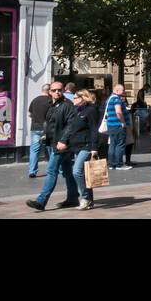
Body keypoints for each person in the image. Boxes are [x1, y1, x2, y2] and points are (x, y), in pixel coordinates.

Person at [27, 80, 81, 211]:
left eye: (59, 90)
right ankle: (73, 197)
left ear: (63, 91)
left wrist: (63, 141)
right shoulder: (52, 104)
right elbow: (52, 123)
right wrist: (46, 134)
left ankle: (41, 201)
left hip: (61, 144)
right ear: (49, 92)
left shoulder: (67, 105)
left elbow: (70, 125)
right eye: (54, 90)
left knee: (51, 170)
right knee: (67, 172)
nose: (57, 92)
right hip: (53, 141)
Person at [70, 89, 100, 211]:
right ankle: (90, 201)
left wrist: (94, 147)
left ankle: (85, 197)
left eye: (76, 97)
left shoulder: (91, 110)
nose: (73, 100)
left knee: (76, 171)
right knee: (85, 174)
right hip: (77, 146)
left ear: (83, 98)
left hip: (86, 146)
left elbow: (94, 129)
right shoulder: (77, 111)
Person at [103, 83, 132, 170]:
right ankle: (119, 164)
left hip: (111, 125)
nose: (124, 92)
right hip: (118, 125)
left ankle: (112, 164)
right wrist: (123, 122)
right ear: (117, 90)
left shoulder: (109, 99)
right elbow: (118, 112)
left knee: (112, 144)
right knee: (120, 144)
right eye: (122, 90)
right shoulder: (117, 99)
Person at [27, 86, 51, 177]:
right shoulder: (50, 100)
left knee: (34, 150)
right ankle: (51, 169)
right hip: (47, 128)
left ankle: (32, 171)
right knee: (49, 149)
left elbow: (29, 114)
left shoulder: (35, 100)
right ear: (49, 91)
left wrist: (36, 118)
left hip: (35, 127)